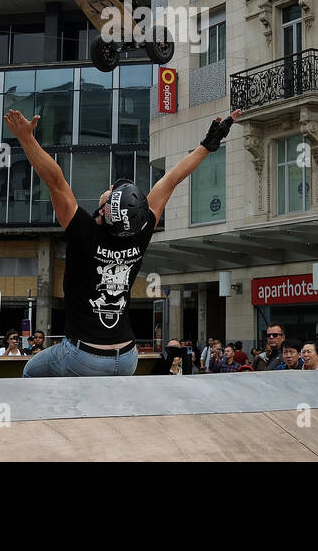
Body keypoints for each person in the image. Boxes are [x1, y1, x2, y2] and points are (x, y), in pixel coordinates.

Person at [14, 106, 239, 379]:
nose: (108, 188)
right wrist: (207, 145)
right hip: (128, 356)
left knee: (30, 373)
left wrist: (26, 138)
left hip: (84, 355)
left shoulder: (83, 230)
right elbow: (170, 181)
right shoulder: (139, 232)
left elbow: (55, 179)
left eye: (111, 191)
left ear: (106, 209)